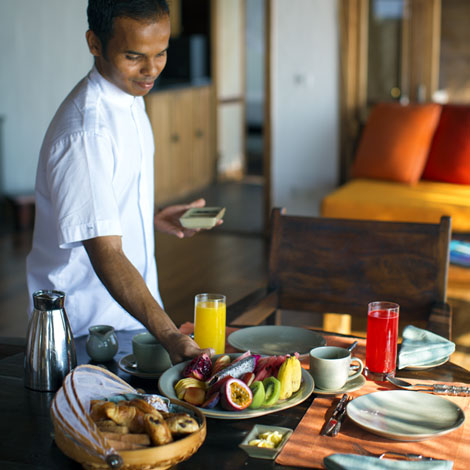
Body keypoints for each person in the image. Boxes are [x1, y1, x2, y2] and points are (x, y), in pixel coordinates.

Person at [26, 0, 214, 364]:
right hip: (86, 334)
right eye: (134, 56)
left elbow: (99, 201)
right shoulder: (85, 131)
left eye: (160, 53)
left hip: (128, 323)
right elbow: (106, 252)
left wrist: (149, 216)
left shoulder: (128, 97)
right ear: (94, 43)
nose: (151, 69)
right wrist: (172, 336)